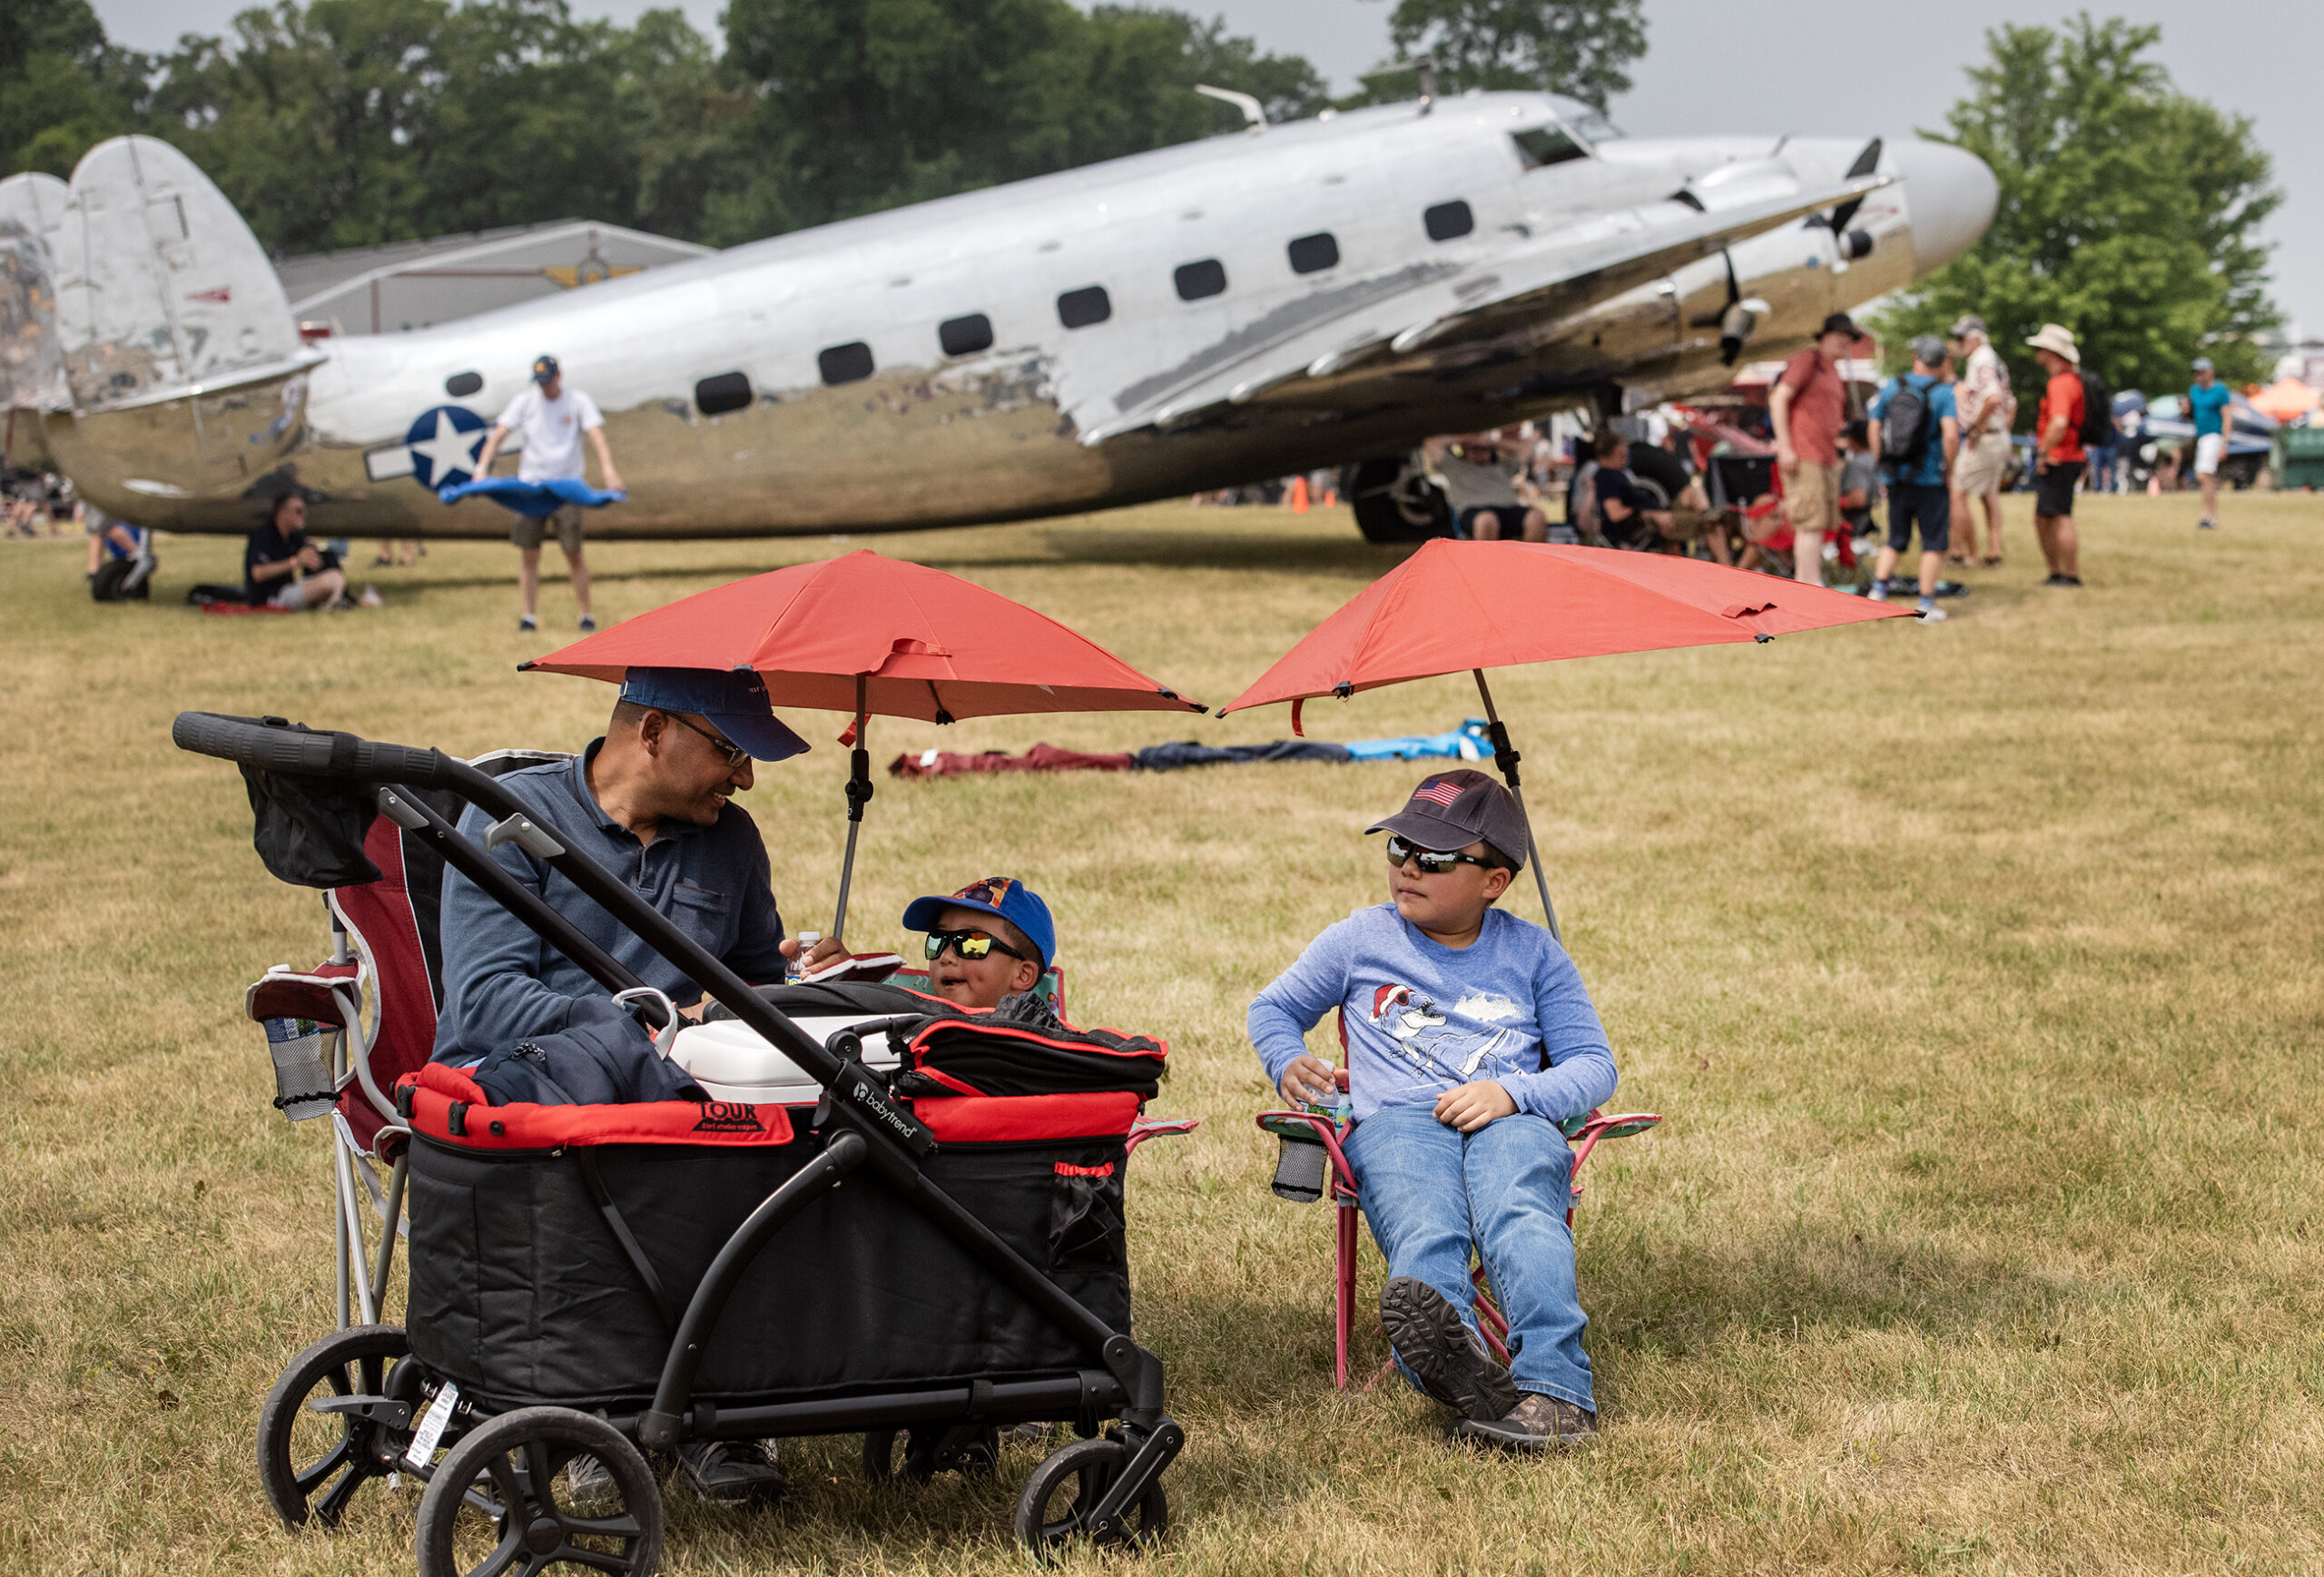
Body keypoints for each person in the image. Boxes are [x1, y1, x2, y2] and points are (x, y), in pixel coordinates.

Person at [430, 666, 832, 1501]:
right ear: (653, 733)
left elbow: (751, 991)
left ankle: (720, 1410)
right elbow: (487, 1001)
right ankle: (596, 1408)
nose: (746, 777)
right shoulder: (510, 819)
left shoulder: (732, 841)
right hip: (538, 1103)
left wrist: (803, 987)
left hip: (687, 1112)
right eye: (732, 751)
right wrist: (652, 1026)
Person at [1250, 770, 1618, 1452]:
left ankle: (1558, 1392)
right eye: (1399, 848)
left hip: (1511, 1119)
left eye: (1437, 857)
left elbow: (1595, 1067)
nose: (1409, 867)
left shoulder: (1536, 954)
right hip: (1397, 1124)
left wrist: (1514, 1093)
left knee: (1521, 1212)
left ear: (1494, 881)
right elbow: (1273, 1008)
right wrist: (1286, 1059)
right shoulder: (1361, 939)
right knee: (1426, 1224)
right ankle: (1460, 1370)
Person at [470, 354, 623, 633]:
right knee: (529, 554)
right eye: (540, 383)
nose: (545, 388)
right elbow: (499, 434)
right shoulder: (525, 401)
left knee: (574, 552)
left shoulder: (577, 401)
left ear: (559, 376)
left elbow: (597, 436)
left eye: (549, 381)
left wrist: (609, 472)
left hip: (567, 488)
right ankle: (528, 617)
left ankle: (585, 615)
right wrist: (482, 469)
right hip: (531, 488)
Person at [1866, 337, 1961, 622]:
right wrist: (1950, 469)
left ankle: (1878, 592)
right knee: (1933, 541)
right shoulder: (1944, 393)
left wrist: (1880, 462)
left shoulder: (1892, 387)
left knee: (1894, 538)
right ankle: (1926, 603)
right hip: (1930, 478)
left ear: (1916, 357)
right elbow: (1951, 435)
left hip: (1896, 477)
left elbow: (1873, 426)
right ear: (1942, 361)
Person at [1768, 313, 1859, 587]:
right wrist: (1786, 447)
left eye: (1849, 337)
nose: (1845, 341)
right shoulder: (1809, 360)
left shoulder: (1831, 370)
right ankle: (1809, 584)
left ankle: (1811, 580)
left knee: (1819, 524)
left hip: (1826, 457)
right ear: (1825, 334)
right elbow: (1778, 398)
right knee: (1809, 523)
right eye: (1840, 334)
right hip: (1804, 455)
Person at [901, 878, 1058, 1017]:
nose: (945, 957)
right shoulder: (906, 1031)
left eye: (971, 944)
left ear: (1023, 975)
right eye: (938, 940)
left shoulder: (1035, 1048)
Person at [1945, 315, 2014, 567]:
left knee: (1957, 490)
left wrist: (1976, 426)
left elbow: (1993, 397)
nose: (1958, 343)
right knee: (1989, 493)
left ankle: (1958, 552)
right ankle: (1993, 552)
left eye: (1961, 338)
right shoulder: (1994, 358)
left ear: (1976, 338)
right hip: (1997, 435)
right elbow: (2009, 402)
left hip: (1985, 437)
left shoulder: (1981, 359)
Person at [2025, 324, 2087, 587]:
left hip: (2060, 457)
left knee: (2059, 514)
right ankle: (2059, 572)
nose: (2036, 352)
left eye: (2040, 347)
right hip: (2070, 455)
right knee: (2048, 515)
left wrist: (2043, 452)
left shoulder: (2060, 383)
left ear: (2051, 352)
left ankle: (2067, 574)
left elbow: (2059, 422)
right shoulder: (2072, 380)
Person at [1425, 432, 1547, 541]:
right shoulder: (1454, 466)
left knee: (1537, 517)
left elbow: (1527, 448)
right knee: (1487, 520)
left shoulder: (1503, 466)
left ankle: (1527, 563)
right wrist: (1463, 439)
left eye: (1483, 449)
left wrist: (1491, 441)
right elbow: (1430, 444)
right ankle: (1488, 564)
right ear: (1464, 449)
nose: (1478, 452)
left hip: (1509, 509)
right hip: (1474, 512)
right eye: (1473, 448)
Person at [243, 494, 349, 611]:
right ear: (282, 513)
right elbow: (258, 574)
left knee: (335, 576)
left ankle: (335, 602)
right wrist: (295, 562)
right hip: (269, 598)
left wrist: (316, 559)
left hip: (288, 589)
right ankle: (333, 604)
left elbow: (310, 558)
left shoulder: (295, 536)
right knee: (331, 581)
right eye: (298, 511)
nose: (303, 515)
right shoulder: (263, 535)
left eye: (304, 511)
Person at [2187, 357, 2232, 531]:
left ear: (2210, 373)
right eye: (2196, 372)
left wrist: (2224, 442)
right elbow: (2193, 414)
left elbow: (2227, 416)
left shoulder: (2220, 390)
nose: (2198, 375)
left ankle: (2209, 516)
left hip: (2214, 436)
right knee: (2206, 477)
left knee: (2203, 475)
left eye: (2202, 372)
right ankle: (2209, 516)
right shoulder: (2194, 391)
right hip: (2201, 436)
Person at [1837, 419, 1879, 544]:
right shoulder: (1874, 459)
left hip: (1851, 523)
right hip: (1866, 520)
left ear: (1852, 439)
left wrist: (1828, 503)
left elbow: (1857, 500)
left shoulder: (1857, 465)